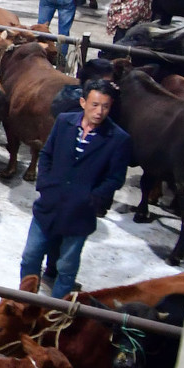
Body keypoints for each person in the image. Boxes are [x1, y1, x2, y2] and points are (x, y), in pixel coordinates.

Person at [21, 79, 132, 297]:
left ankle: (53, 314)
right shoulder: (64, 122)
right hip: (49, 206)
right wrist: (46, 185)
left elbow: (115, 179)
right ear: (83, 102)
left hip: (79, 215)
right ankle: (24, 302)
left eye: (105, 106)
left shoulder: (118, 139)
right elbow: (46, 155)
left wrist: (90, 199)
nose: (99, 112)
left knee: (66, 268)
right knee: (31, 256)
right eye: (95, 105)